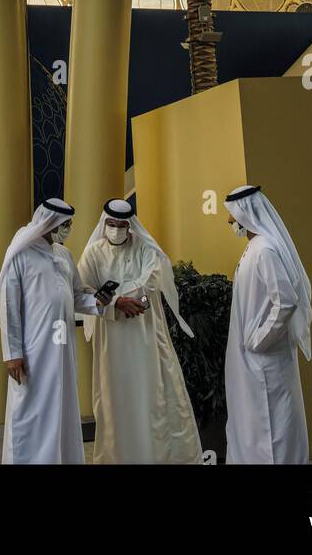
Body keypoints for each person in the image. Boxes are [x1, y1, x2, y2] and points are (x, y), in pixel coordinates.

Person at [78, 198, 202, 464]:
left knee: (151, 397)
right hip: (111, 341)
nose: (116, 229)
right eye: (111, 224)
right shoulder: (93, 253)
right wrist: (116, 304)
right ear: (105, 223)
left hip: (145, 337)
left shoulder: (146, 249)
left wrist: (135, 303)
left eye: (121, 225)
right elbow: (83, 293)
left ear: (129, 225)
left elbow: (151, 288)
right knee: (115, 402)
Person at [0, 197, 115, 464]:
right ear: (50, 223)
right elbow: (8, 306)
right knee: (30, 409)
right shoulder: (21, 253)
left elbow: (75, 295)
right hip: (32, 350)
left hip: (62, 349)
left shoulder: (64, 255)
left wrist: (97, 302)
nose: (68, 228)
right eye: (65, 224)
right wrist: (12, 352)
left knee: (60, 408)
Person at [223, 184, 312, 464]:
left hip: (266, 357)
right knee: (256, 424)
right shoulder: (254, 248)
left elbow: (286, 301)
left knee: (273, 427)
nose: (230, 222)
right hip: (251, 358)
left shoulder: (265, 251)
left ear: (245, 214)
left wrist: (260, 340)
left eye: (232, 217)